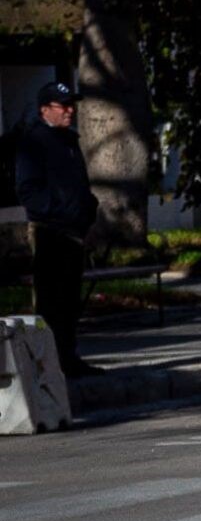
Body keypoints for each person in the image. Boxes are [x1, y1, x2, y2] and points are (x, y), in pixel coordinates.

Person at [12, 81, 98, 376]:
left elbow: (80, 183)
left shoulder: (69, 141)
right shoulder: (33, 141)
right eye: (64, 106)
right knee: (51, 301)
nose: (70, 111)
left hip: (74, 230)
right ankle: (48, 364)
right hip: (50, 230)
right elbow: (28, 190)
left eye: (71, 105)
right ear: (45, 110)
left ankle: (68, 356)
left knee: (70, 300)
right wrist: (59, 211)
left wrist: (88, 207)